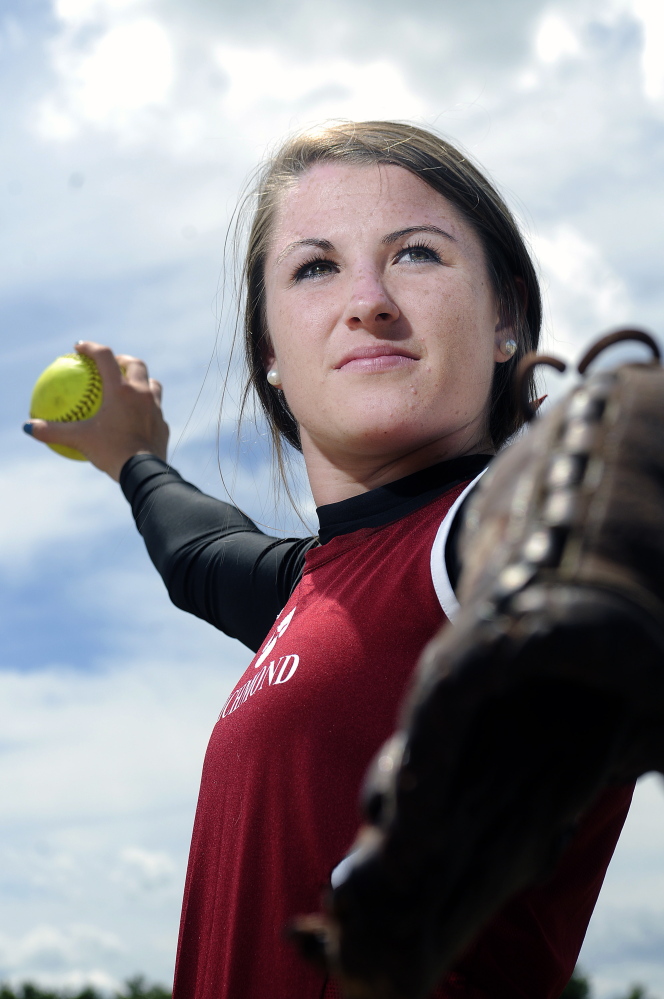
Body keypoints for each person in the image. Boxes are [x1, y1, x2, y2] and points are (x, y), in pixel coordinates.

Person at [23, 121, 633, 999]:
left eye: (416, 253)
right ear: (270, 351)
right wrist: (133, 457)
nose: (368, 301)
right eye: (315, 267)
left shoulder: (503, 538)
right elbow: (200, 553)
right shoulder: (316, 592)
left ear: (505, 316)